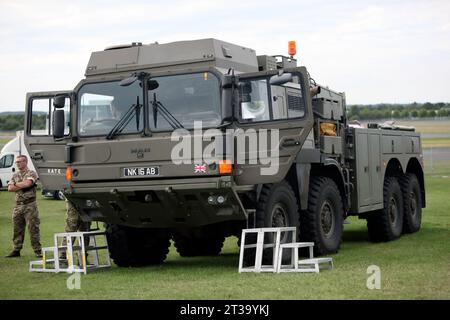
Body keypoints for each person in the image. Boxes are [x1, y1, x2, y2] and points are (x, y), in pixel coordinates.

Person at [5, 155, 42, 258]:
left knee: (33, 228)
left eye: (19, 162)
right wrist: (20, 185)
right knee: (17, 229)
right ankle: (16, 250)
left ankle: (37, 251)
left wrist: (16, 185)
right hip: (18, 206)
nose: (17, 164)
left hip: (30, 205)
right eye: (16, 162)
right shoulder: (15, 174)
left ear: (25, 162)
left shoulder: (31, 173)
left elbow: (28, 183)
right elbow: (9, 188)